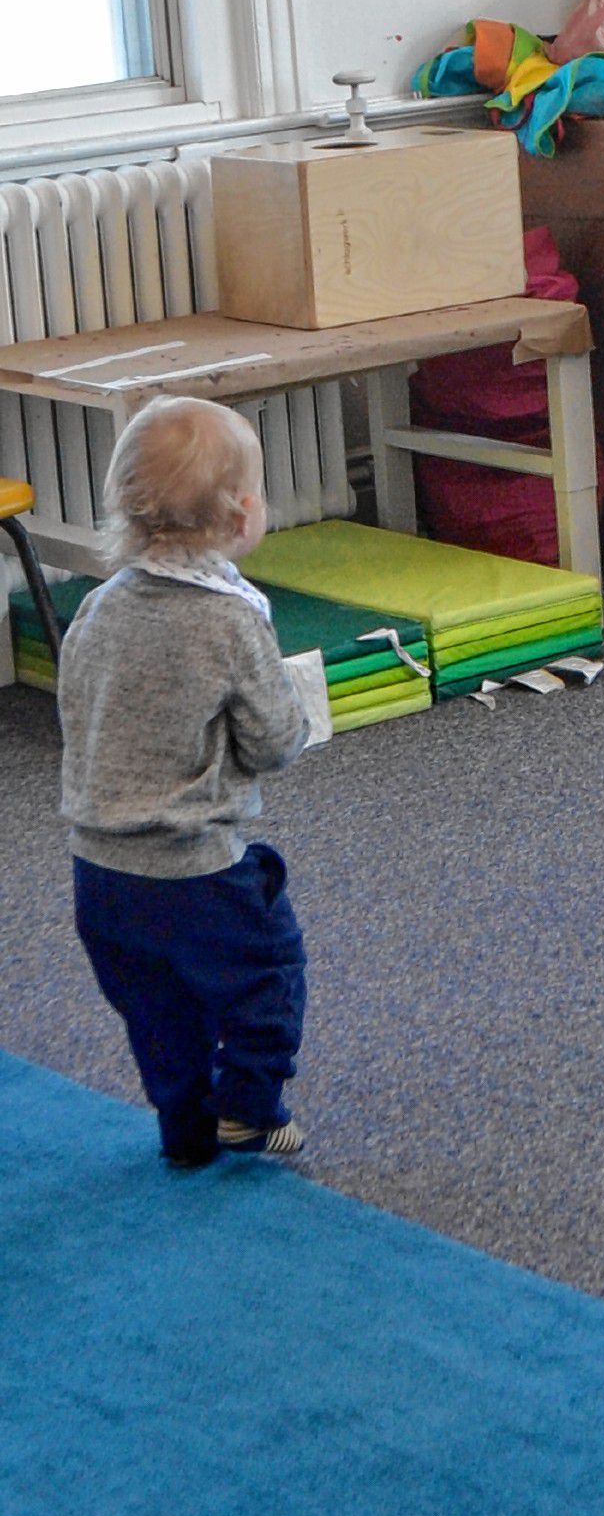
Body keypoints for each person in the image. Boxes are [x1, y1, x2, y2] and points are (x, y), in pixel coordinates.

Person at [59, 395, 319, 1161]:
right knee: (265, 977)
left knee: (157, 1012)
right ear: (242, 517)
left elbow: (82, 716)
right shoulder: (231, 618)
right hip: (192, 869)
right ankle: (249, 1105)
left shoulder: (98, 608)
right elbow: (273, 741)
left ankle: (185, 1128)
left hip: (98, 873)